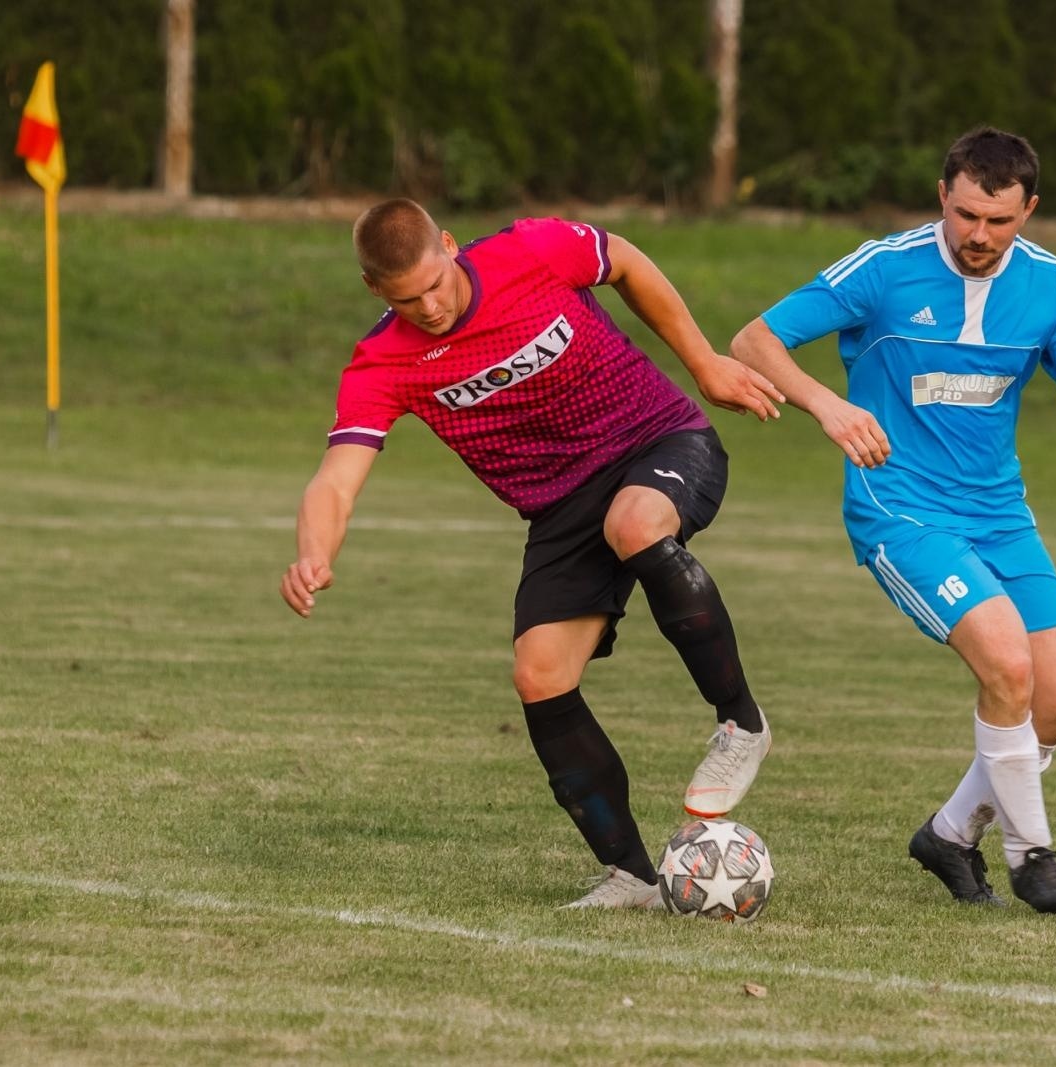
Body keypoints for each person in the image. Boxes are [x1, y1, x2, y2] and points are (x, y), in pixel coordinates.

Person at [279, 199, 785, 908]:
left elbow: (628, 261)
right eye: (406, 298)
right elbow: (337, 478)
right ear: (374, 291)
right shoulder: (381, 362)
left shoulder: (531, 251)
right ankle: (632, 875)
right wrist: (312, 552)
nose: (427, 305)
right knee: (539, 675)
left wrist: (703, 363)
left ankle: (741, 722)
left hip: (659, 441)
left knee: (636, 524)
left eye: (435, 283)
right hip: (561, 510)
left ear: (449, 245)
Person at [729, 127, 1056, 913]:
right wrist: (828, 405)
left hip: (1000, 515)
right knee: (1006, 659)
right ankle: (1034, 857)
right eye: (965, 215)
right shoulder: (884, 268)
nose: (978, 235)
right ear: (943, 197)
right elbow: (754, 340)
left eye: (998, 221)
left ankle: (949, 832)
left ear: (1028, 209)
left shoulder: (1053, 287)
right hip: (899, 511)